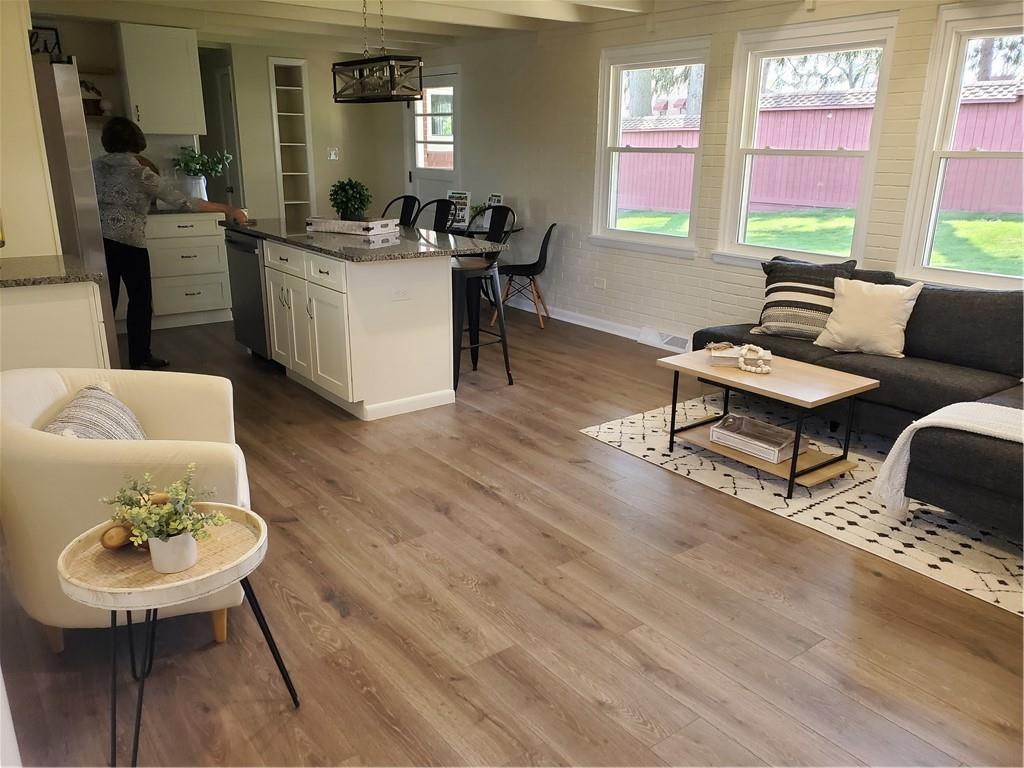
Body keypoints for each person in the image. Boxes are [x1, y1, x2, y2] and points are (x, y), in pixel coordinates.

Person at [93, 117, 248, 369]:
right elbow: (183, 201)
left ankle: (102, 360)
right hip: (131, 244)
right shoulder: (140, 172)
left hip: (98, 243)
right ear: (136, 140)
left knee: (104, 303)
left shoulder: (94, 167)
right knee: (140, 301)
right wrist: (228, 208)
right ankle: (140, 359)